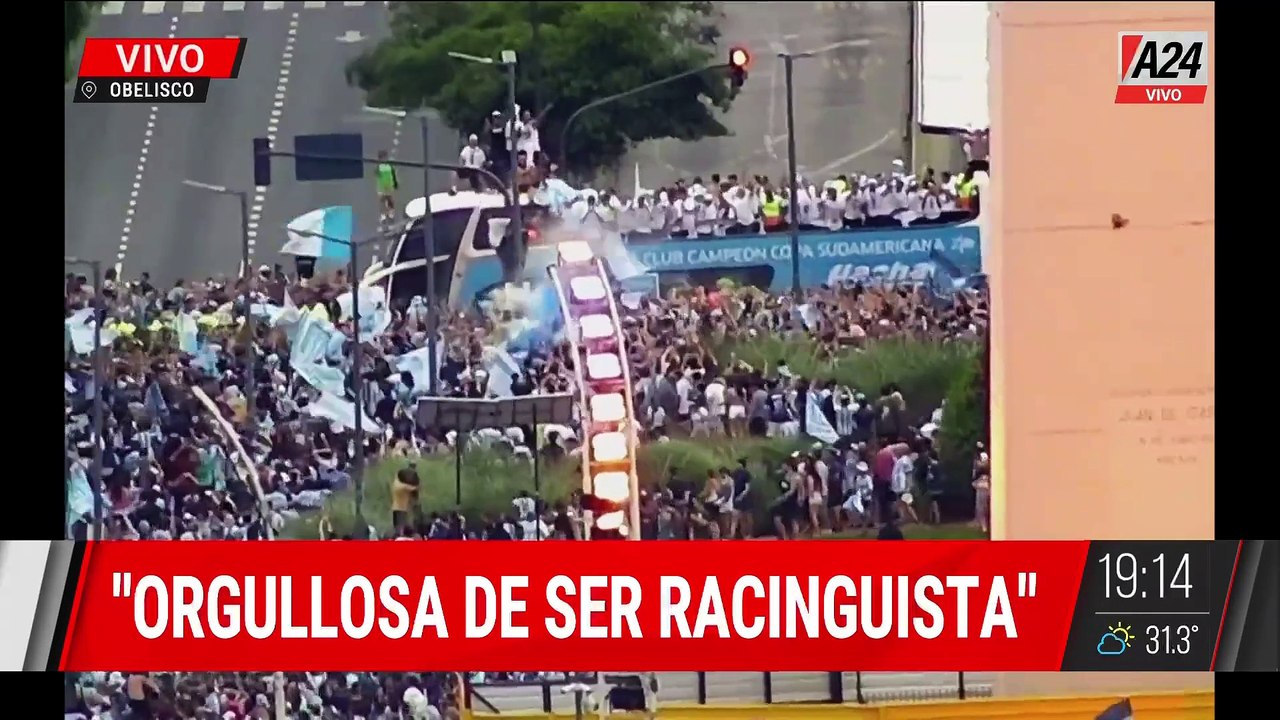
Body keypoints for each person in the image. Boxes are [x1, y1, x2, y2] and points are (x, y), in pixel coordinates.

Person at [376, 150, 399, 222]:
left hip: (389, 186)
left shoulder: (389, 166)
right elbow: (377, 175)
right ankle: (383, 215)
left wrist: (395, 183)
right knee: (382, 201)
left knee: (390, 201)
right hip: (381, 187)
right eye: (382, 158)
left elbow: (393, 174)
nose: (383, 159)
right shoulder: (379, 167)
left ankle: (391, 213)